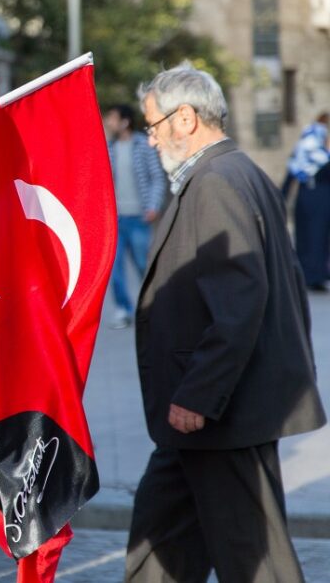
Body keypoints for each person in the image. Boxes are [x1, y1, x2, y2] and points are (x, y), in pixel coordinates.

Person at [125, 62, 326, 582]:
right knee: (161, 537)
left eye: (153, 126)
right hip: (203, 412)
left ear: (185, 118)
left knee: (255, 558)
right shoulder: (232, 172)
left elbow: (241, 299)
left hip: (218, 411)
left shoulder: (217, 181)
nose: (150, 141)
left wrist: (200, 394)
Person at [104, 103, 166, 328]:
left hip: (140, 218)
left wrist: (153, 206)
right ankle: (123, 309)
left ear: (125, 121)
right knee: (115, 268)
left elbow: (156, 177)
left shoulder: (142, 145)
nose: (109, 122)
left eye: (112, 117)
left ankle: (152, 306)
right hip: (116, 220)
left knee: (143, 265)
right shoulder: (108, 147)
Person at [286, 111, 330, 291]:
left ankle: (308, 273)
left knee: (308, 236)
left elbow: (291, 174)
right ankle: (314, 275)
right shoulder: (319, 152)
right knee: (316, 236)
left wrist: (283, 196)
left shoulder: (304, 147)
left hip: (306, 196)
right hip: (319, 197)